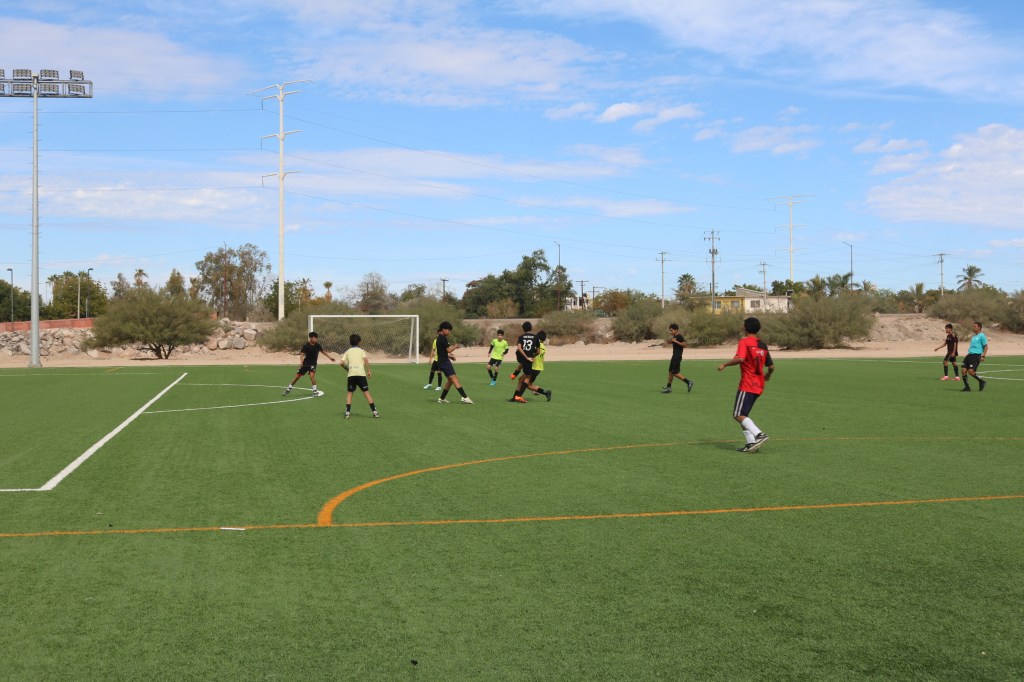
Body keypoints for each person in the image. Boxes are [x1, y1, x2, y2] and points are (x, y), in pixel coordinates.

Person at [717, 317, 774, 453]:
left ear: (745, 328)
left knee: (738, 414)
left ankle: (759, 435)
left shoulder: (744, 342)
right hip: (759, 384)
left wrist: (725, 364)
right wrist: (768, 375)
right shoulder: (762, 345)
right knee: (743, 414)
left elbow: (740, 358)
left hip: (748, 383)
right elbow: (771, 366)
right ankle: (750, 443)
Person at [283, 331, 334, 397]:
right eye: (314, 338)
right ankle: (288, 389)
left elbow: (323, 351)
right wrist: (301, 361)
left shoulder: (318, 346)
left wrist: (330, 357)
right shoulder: (306, 346)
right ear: (310, 338)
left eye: (316, 338)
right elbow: (302, 354)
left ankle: (315, 391)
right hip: (305, 364)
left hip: (313, 364)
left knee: (312, 376)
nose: (316, 339)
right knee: (297, 377)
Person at [340, 334, 378, 419]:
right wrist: (369, 371)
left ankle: (347, 413)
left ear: (350, 342)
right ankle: (375, 412)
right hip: (361, 374)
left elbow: (341, 363)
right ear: (359, 342)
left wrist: (347, 369)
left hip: (351, 375)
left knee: (350, 393)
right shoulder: (361, 351)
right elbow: (366, 360)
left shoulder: (347, 351)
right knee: (366, 393)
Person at [435, 321, 474, 404]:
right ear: (443, 329)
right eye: (448, 330)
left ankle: (442, 398)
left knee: (450, 380)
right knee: (454, 379)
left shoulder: (439, 338)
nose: (449, 332)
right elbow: (448, 350)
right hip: (444, 362)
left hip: (442, 361)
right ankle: (464, 397)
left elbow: (442, 352)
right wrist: (455, 346)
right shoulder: (443, 338)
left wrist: (450, 356)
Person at [509, 321, 539, 403]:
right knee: (527, 378)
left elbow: (519, 348)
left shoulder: (521, 337)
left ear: (523, 329)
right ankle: (519, 396)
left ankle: (514, 397)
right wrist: (530, 357)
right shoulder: (536, 337)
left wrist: (525, 357)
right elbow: (538, 351)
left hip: (522, 358)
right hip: (528, 360)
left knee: (520, 378)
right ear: (531, 328)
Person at [662, 323, 695, 393]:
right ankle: (668, 387)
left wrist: (675, 341)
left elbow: (685, 345)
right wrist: (671, 342)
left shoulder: (679, 336)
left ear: (676, 330)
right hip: (674, 356)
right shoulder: (674, 337)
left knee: (675, 372)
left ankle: (688, 382)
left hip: (677, 356)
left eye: (672, 330)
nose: (671, 332)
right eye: (670, 330)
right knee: (670, 371)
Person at [523, 330, 552, 401]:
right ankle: (537, 390)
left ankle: (544, 392)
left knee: (525, 383)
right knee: (529, 384)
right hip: (539, 368)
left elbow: (532, 354)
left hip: (533, 367)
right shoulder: (543, 347)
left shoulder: (536, 345)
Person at [961, 321, 988, 392]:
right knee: (963, 371)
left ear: (979, 327)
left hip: (976, 356)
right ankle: (967, 387)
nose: (973, 328)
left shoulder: (982, 336)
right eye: (973, 326)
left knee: (970, 371)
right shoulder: (974, 336)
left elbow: (985, 346)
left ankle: (981, 381)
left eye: (974, 326)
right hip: (969, 355)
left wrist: (983, 356)